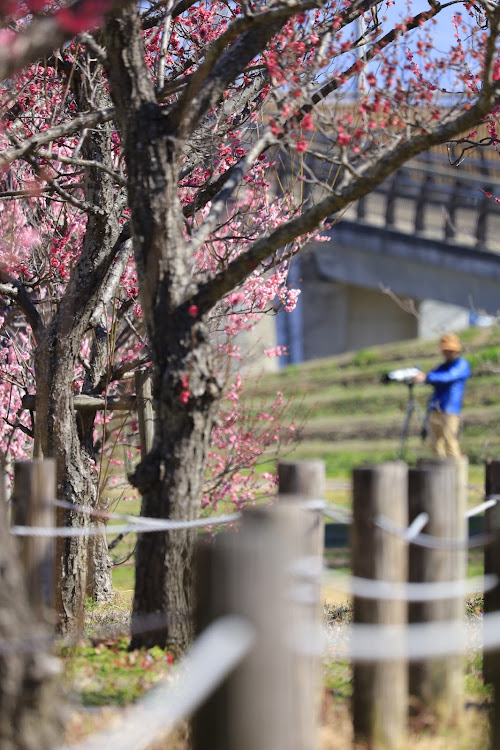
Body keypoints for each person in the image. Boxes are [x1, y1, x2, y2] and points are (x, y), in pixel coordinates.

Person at [412, 333, 471, 459]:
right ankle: (440, 473)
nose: (446, 354)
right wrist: (421, 377)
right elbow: (432, 376)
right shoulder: (442, 367)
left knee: (450, 441)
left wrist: (427, 377)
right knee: (435, 443)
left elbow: (448, 377)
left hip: (450, 409)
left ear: (456, 351)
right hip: (436, 408)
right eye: (445, 351)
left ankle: (456, 474)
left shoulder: (462, 365)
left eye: (449, 351)